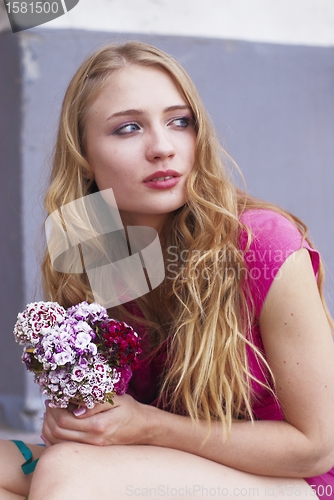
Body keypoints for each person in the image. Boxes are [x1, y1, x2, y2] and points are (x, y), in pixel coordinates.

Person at [0, 41, 334, 500]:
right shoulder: (97, 248)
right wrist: (76, 420)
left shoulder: (262, 245)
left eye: (180, 121)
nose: (163, 147)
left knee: (69, 475)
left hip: (296, 482)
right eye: (129, 128)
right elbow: (107, 416)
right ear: (84, 156)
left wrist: (148, 426)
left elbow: (317, 448)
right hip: (173, 463)